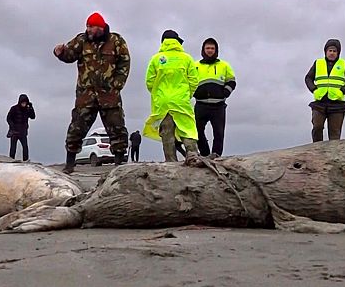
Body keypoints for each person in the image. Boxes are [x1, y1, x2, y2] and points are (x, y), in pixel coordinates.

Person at [54, 12, 130, 174]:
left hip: (109, 94)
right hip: (86, 94)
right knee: (77, 127)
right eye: (87, 26)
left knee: (116, 127)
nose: (88, 29)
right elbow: (69, 55)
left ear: (100, 27)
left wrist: (117, 84)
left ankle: (118, 163)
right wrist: (60, 52)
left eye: (91, 26)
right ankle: (69, 164)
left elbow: (124, 62)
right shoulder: (81, 40)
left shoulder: (116, 41)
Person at [143, 30, 200, 163]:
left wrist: (158, 95)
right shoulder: (187, 58)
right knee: (187, 129)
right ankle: (192, 155)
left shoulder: (156, 59)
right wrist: (186, 94)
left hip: (163, 102)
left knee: (167, 133)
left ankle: (171, 162)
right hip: (181, 100)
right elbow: (194, 81)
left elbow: (149, 82)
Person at [304, 39, 345, 142]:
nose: (332, 53)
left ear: (338, 53)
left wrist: (342, 91)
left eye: (334, 51)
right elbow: (308, 78)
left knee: (334, 135)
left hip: (337, 104)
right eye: (330, 50)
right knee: (317, 127)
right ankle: (317, 150)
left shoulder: (344, 64)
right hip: (320, 102)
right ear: (325, 52)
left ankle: (333, 156)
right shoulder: (318, 63)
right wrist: (314, 90)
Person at [193, 37, 236, 158]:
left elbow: (232, 81)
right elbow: (188, 82)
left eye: (212, 48)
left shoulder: (224, 65)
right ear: (203, 50)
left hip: (218, 106)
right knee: (197, 131)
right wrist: (194, 93)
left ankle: (216, 155)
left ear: (216, 50)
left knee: (218, 133)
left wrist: (225, 93)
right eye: (207, 48)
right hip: (201, 105)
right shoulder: (195, 65)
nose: (210, 50)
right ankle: (205, 153)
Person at [6, 94, 35, 161]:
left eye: (25, 102)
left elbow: (33, 117)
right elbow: (8, 118)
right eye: (22, 102)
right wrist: (12, 126)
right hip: (14, 132)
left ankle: (26, 161)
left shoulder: (27, 109)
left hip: (23, 132)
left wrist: (31, 108)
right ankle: (11, 160)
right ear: (20, 102)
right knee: (13, 148)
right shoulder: (14, 108)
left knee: (25, 147)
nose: (24, 104)